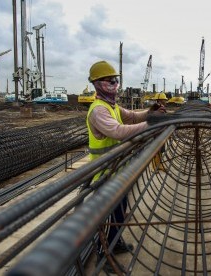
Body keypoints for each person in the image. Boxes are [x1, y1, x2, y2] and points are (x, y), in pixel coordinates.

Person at [86, 60, 164, 273]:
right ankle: (105, 253)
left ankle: (115, 242)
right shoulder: (98, 110)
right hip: (104, 172)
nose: (113, 83)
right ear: (96, 84)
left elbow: (131, 116)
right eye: (108, 81)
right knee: (108, 216)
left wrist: (150, 112)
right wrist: (152, 123)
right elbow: (119, 131)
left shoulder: (111, 106)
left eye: (115, 80)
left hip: (117, 169)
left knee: (120, 213)